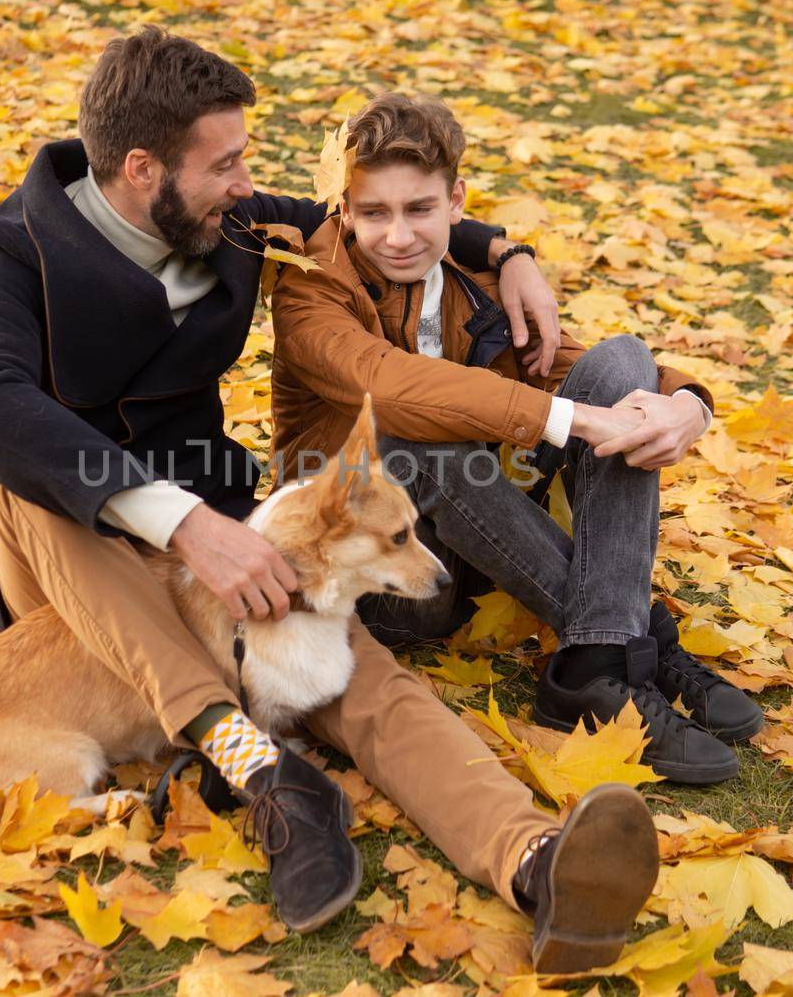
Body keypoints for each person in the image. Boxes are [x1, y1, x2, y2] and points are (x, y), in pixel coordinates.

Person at [0, 27, 662, 966]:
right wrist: (187, 526)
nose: (251, 182)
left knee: (368, 684)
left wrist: (508, 248)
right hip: (78, 566)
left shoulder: (227, 218)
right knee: (30, 484)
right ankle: (250, 762)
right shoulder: (8, 255)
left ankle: (532, 861)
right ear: (140, 167)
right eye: (229, 161)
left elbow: (366, 216)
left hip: (225, 544)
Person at [270, 92, 764, 786]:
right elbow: (389, 385)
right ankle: (630, 640)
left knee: (621, 360)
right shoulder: (309, 291)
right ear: (344, 211)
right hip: (378, 577)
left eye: (419, 209)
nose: (399, 235)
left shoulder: (476, 281)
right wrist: (574, 422)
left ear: (457, 202)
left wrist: (688, 400)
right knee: (414, 440)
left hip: (475, 546)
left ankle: (600, 657)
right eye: (374, 213)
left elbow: (576, 367)